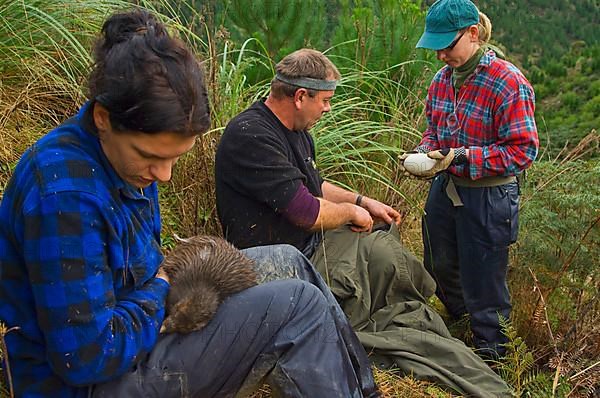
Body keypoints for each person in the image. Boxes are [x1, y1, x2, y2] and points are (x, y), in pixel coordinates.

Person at [0, 10, 380, 397]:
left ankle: (363, 391)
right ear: (103, 117)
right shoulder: (66, 199)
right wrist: (164, 288)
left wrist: (166, 281)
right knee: (298, 305)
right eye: (151, 156)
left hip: (137, 325)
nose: (163, 175)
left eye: (174, 158)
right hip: (96, 383)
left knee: (289, 262)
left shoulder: (122, 160)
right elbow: (85, 358)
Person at [215, 48, 512, 397]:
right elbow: (306, 212)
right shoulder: (252, 135)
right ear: (299, 96)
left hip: (309, 244)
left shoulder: (296, 130)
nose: (327, 109)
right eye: (324, 100)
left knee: (381, 238)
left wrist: (361, 201)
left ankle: (427, 313)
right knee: (378, 281)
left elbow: (312, 185)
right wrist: (351, 214)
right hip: (282, 265)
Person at [402, 0, 539, 359]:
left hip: (489, 197)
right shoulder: (441, 81)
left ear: (473, 34)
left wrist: (462, 157)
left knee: (485, 282)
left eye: (447, 46)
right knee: (438, 265)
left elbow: (522, 150)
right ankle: (463, 323)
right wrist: (424, 154)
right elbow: (434, 131)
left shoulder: (508, 83)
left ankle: (494, 359)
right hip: (446, 189)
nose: (440, 56)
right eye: (436, 48)